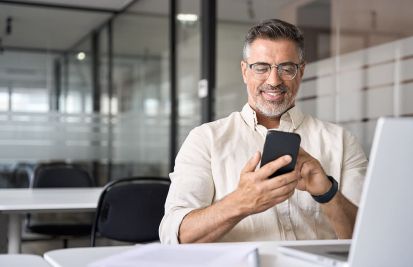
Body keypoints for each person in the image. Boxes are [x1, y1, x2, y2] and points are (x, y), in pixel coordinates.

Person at [159, 19, 367, 244]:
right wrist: (241, 202)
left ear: (302, 71)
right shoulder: (205, 140)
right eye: (261, 67)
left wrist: (327, 193)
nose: (274, 80)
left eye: (287, 68)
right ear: (244, 71)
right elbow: (175, 236)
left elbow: (371, 238)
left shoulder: (341, 141)